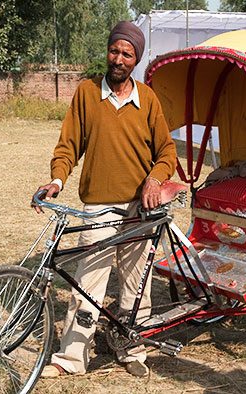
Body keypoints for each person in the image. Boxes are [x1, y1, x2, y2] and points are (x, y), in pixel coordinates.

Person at [34, 20, 177, 378]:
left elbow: (167, 152)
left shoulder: (147, 100)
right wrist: (56, 179)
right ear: (107, 51)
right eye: (114, 50)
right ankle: (72, 358)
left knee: (135, 282)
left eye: (127, 54)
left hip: (140, 207)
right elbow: (69, 145)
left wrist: (155, 180)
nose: (118, 58)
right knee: (89, 280)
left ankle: (131, 348)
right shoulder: (86, 93)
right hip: (100, 205)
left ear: (136, 60)